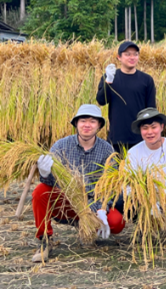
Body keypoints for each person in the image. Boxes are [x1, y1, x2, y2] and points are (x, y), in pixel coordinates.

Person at [31, 104, 125, 263]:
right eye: (83, 120)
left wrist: (94, 209)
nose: (87, 125)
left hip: (93, 202)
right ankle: (44, 240)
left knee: (117, 222)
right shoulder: (61, 146)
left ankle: (87, 229)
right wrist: (45, 173)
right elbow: (51, 183)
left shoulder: (107, 150)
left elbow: (110, 187)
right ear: (76, 123)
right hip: (67, 201)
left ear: (99, 126)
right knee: (40, 191)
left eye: (92, 121)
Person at [118, 108, 166, 243]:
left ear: (161, 127)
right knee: (121, 200)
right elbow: (127, 184)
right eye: (145, 128)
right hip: (144, 198)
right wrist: (146, 198)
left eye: (153, 127)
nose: (150, 132)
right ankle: (144, 225)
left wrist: (160, 195)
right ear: (140, 131)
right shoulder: (133, 153)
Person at [96, 41, 156, 154]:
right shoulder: (110, 77)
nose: (132, 57)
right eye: (127, 54)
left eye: (135, 54)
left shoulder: (146, 79)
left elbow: (151, 109)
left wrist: (150, 133)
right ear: (119, 57)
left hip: (140, 137)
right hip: (117, 136)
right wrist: (108, 81)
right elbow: (101, 100)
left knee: (140, 171)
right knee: (116, 170)